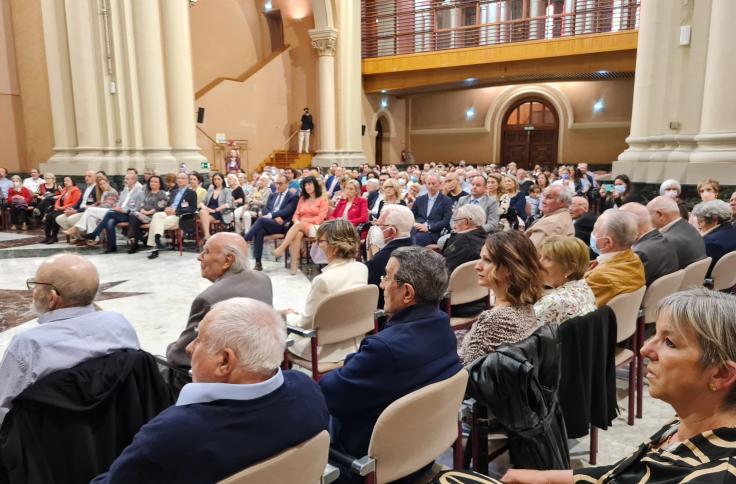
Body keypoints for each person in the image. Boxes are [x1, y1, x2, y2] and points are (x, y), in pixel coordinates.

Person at [503, 289, 736, 484]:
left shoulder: (710, 476)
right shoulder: (688, 422)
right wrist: (548, 478)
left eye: (669, 342)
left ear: (721, 374)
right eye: (655, 335)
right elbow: (625, 474)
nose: (645, 349)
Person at [92, 298, 329, 483]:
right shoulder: (308, 390)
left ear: (225, 361)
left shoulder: (172, 436)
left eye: (200, 339)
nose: (189, 348)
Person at [320, 247, 462, 476]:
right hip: (420, 453)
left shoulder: (385, 349)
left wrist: (351, 361)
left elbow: (330, 395)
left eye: (387, 277)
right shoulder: (442, 326)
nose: (382, 285)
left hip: (370, 466)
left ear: (407, 293)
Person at [0, 254, 139, 426]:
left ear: (52, 297)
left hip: (49, 442)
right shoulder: (119, 325)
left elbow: (4, 410)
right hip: (116, 427)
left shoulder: (29, 346)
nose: (33, 291)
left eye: (36, 285)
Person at [165, 232, 272, 384]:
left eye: (206, 252)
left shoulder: (209, 299)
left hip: (224, 382)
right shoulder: (263, 279)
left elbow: (180, 355)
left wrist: (171, 347)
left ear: (228, 261)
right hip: (261, 370)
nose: (199, 257)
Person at [286, 220, 368, 365]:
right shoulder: (361, 268)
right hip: (354, 341)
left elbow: (304, 324)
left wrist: (288, 316)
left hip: (324, 350)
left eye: (320, 241)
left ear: (335, 246)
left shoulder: (323, 280)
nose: (316, 244)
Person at [460, 231, 545, 364]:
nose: (477, 266)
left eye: (487, 260)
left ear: (510, 268)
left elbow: (466, 369)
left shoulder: (494, 319)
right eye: (480, 258)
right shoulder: (527, 307)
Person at [585, 209, 646, 307]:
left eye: (594, 230)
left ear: (608, 242)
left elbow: (574, 310)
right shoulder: (634, 259)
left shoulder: (600, 277)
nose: (592, 233)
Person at [534, 235, 597, 326]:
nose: (538, 263)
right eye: (541, 257)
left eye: (547, 258)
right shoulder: (585, 287)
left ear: (570, 268)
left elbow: (518, 335)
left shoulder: (553, 301)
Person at [273, 176, 329, 274]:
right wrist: (296, 221)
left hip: (315, 227)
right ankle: (294, 265)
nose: (307, 187)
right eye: (305, 185)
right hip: (300, 226)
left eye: (309, 184)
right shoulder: (302, 199)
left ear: (315, 185)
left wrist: (304, 221)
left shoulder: (322, 200)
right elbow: (296, 214)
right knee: (298, 234)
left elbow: (321, 218)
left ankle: (281, 248)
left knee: (298, 227)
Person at [244, 175, 299, 271]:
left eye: (280, 183)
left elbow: (287, 211)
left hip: (282, 224)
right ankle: (258, 262)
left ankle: (245, 239)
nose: (278, 186)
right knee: (260, 231)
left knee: (261, 220)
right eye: (276, 183)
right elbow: (265, 209)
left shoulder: (293, 196)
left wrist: (272, 215)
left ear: (287, 184)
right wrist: (274, 215)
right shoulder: (273, 195)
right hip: (270, 222)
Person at [365, 205, 415, 309]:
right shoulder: (420, 249)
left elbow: (373, 298)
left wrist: (371, 256)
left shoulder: (378, 261)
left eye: (379, 225)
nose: (375, 229)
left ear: (392, 231)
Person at [84, 173, 145, 253]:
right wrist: (117, 208)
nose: (125, 180)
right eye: (125, 179)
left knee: (109, 213)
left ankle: (95, 233)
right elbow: (119, 203)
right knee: (110, 222)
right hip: (119, 213)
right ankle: (111, 247)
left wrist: (123, 210)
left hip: (130, 215)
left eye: (127, 179)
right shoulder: (124, 191)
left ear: (134, 180)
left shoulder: (139, 192)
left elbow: (138, 208)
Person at [621, 202, 679, 285]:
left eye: (619, 226)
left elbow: (624, 287)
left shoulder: (640, 253)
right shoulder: (664, 240)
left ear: (630, 225)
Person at [146, 172, 197, 260]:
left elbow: (192, 208)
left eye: (183, 178)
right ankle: (157, 239)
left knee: (154, 224)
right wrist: (167, 209)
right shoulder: (174, 191)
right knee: (157, 215)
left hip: (179, 216)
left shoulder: (191, 193)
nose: (180, 180)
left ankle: (155, 247)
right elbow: (169, 204)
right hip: (168, 213)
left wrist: (176, 211)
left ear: (187, 180)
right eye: (178, 178)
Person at [647, 196, 707, 269]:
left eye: (648, 215)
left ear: (659, 214)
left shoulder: (666, 241)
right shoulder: (690, 229)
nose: (648, 220)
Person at [691, 200, 736, 278]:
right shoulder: (733, 230)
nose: (699, 227)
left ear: (714, 220)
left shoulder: (709, 243)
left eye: (700, 222)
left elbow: (699, 274)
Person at [126, 175, 168, 253]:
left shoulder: (162, 193)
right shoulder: (147, 193)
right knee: (133, 216)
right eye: (151, 181)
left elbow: (161, 206)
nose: (153, 183)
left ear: (159, 184)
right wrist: (142, 209)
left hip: (154, 217)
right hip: (143, 215)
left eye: (155, 182)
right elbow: (141, 204)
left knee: (133, 216)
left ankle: (133, 241)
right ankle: (135, 241)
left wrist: (148, 212)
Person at [442, 204, 487, 274]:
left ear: (466, 222)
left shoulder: (462, 241)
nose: (454, 226)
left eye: (456, 221)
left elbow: (445, 268)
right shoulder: (484, 236)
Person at [411, 172, 453, 246]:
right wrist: (415, 224)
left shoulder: (446, 200)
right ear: (425, 185)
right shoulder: (419, 199)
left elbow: (446, 221)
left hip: (433, 232)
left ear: (439, 184)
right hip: (417, 229)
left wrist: (428, 227)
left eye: (433, 184)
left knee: (416, 239)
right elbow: (411, 215)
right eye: (428, 183)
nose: (431, 186)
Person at [54, 170, 97, 237]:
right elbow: (79, 202)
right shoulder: (85, 188)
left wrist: (75, 211)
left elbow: (88, 205)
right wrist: (71, 209)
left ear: (95, 178)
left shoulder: (96, 189)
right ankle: (79, 237)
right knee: (59, 219)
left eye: (89, 176)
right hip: (78, 210)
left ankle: (85, 237)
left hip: (86, 211)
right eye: (85, 176)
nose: (86, 178)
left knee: (71, 219)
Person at [42, 176, 80, 244]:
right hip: (60, 208)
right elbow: (59, 200)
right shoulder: (65, 189)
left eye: (68, 180)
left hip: (68, 209)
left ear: (72, 182)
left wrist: (62, 208)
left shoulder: (75, 190)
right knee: (48, 216)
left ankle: (54, 237)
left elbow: (74, 203)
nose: (65, 182)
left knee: (54, 217)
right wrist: (57, 206)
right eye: (64, 181)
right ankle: (47, 237)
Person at [198, 172, 233, 241]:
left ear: (222, 180)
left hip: (219, 211)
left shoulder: (227, 190)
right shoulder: (211, 190)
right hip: (208, 210)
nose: (216, 181)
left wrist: (216, 210)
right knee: (202, 211)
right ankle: (207, 235)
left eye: (218, 179)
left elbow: (228, 204)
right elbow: (202, 202)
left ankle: (207, 236)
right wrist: (205, 207)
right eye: (215, 179)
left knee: (203, 217)